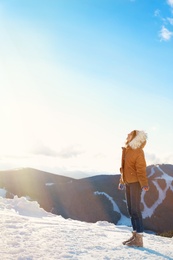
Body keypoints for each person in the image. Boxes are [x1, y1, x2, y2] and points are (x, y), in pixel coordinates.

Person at [118, 130, 149, 247]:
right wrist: (121, 181)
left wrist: (144, 184)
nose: (127, 135)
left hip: (136, 183)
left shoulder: (138, 151)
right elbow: (124, 168)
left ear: (135, 137)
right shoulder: (127, 150)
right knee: (131, 210)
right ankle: (135, 235)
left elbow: (141, 169)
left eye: (129, 134)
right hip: (128, 183)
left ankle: (139, 239)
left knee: (136, 210)